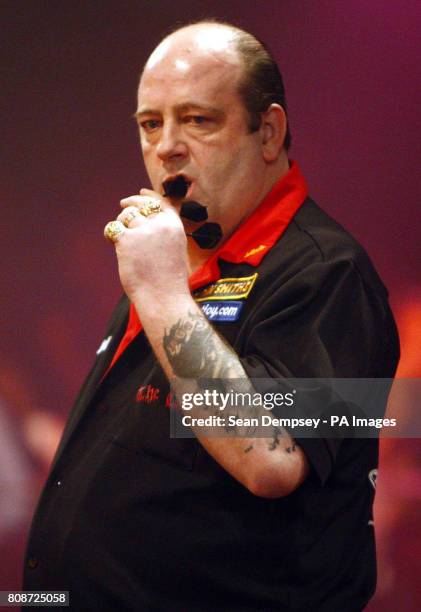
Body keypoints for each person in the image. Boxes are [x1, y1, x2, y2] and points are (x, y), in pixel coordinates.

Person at [24, 21, 399, 611]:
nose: (166, 145)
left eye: (198, 120)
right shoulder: (184, 262)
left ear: (268, 131)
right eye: (151, 124)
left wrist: (164, 297)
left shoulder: (329, 273)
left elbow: (273, 458)